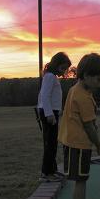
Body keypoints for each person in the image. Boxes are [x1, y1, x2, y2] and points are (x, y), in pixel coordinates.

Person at [58, 53, 100, 199]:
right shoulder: (83, 96)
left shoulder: (77, 89)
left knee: (82, 179)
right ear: (86, 76)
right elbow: (88, 127)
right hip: (77, 144)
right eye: (99, 80)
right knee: (80, 180)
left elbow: (87, 120)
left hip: (73, 142)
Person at [37, 52, 71, 182]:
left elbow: (45, 96)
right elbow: (44, 96)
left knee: (52, 143)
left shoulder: (51, 77)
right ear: (56, 65)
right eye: (62, 68)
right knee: (50, 144)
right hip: (49, 113)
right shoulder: (50, 76)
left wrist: (57, 111)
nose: (64, 71)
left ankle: (52, 170)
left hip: (52, 112)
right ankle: (46, 173)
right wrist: (49, 114)